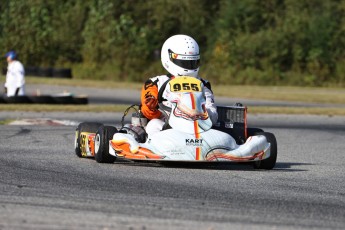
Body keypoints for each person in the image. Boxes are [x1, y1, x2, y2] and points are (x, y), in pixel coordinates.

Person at [140, 34, 218, 136]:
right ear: (169, 58)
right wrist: (151, 107)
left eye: (192, 62)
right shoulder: (155, 83)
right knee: (153, 125)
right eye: (183, 62)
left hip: (200, 128)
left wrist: (200, 113)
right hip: (168, 129)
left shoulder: (203, 84)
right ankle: (157, 150)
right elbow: (148, 114)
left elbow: (213, 114)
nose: (189, 67)